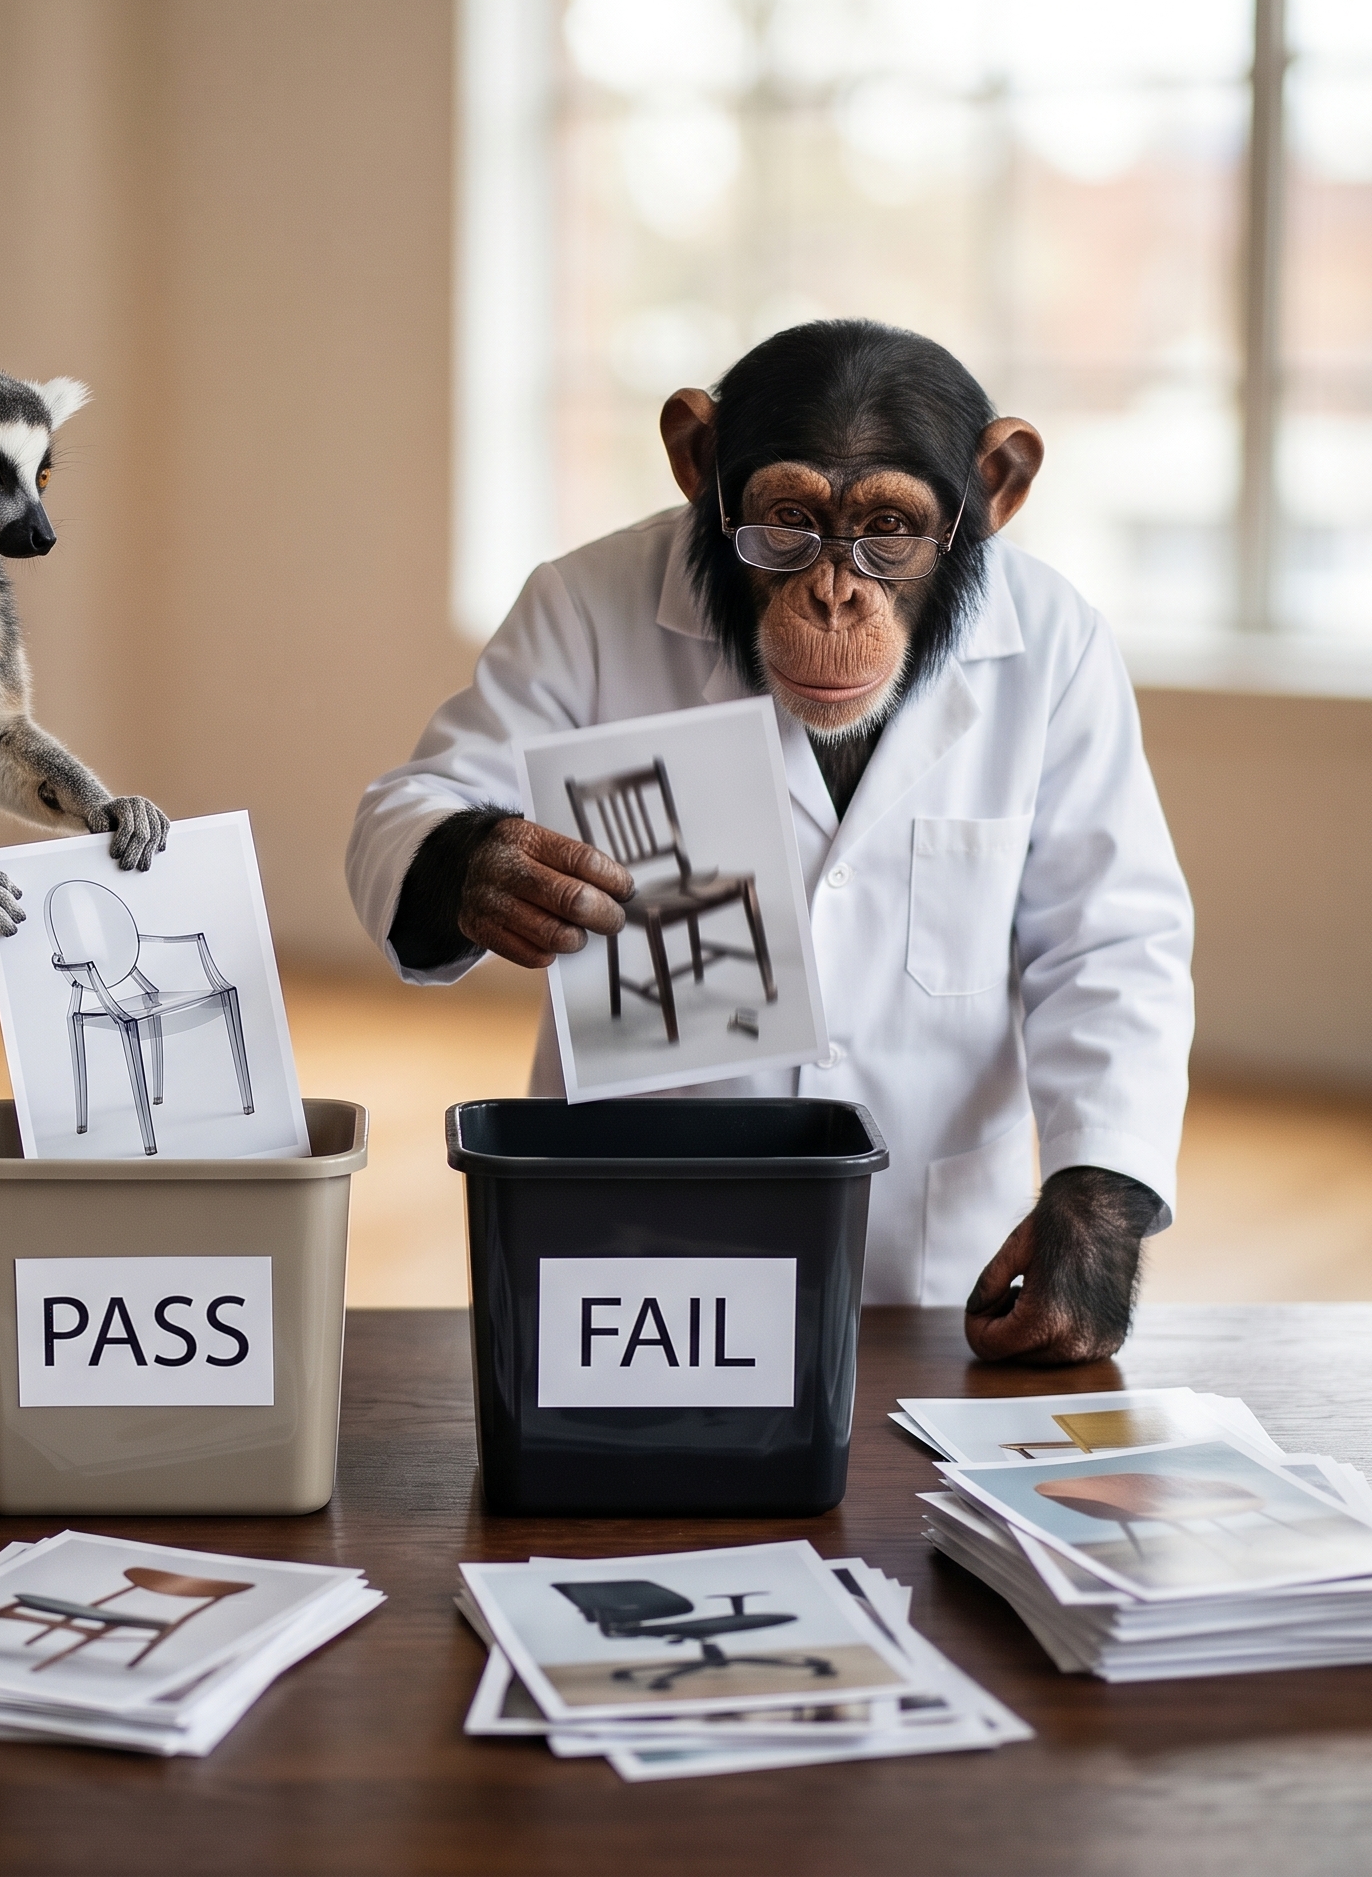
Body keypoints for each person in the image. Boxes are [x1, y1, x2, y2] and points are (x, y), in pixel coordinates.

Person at [345, 322, 1193, 1361]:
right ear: (700, 466)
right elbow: (415, 800)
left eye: (888, 529)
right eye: (787, 521)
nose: (833, 589)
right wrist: (463, 856)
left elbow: (1110, 940)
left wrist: (1100, 1190)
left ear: (994, 490)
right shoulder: (589, 604)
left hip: (922, 1259)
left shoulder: (1050, 641)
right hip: (635, 1247)